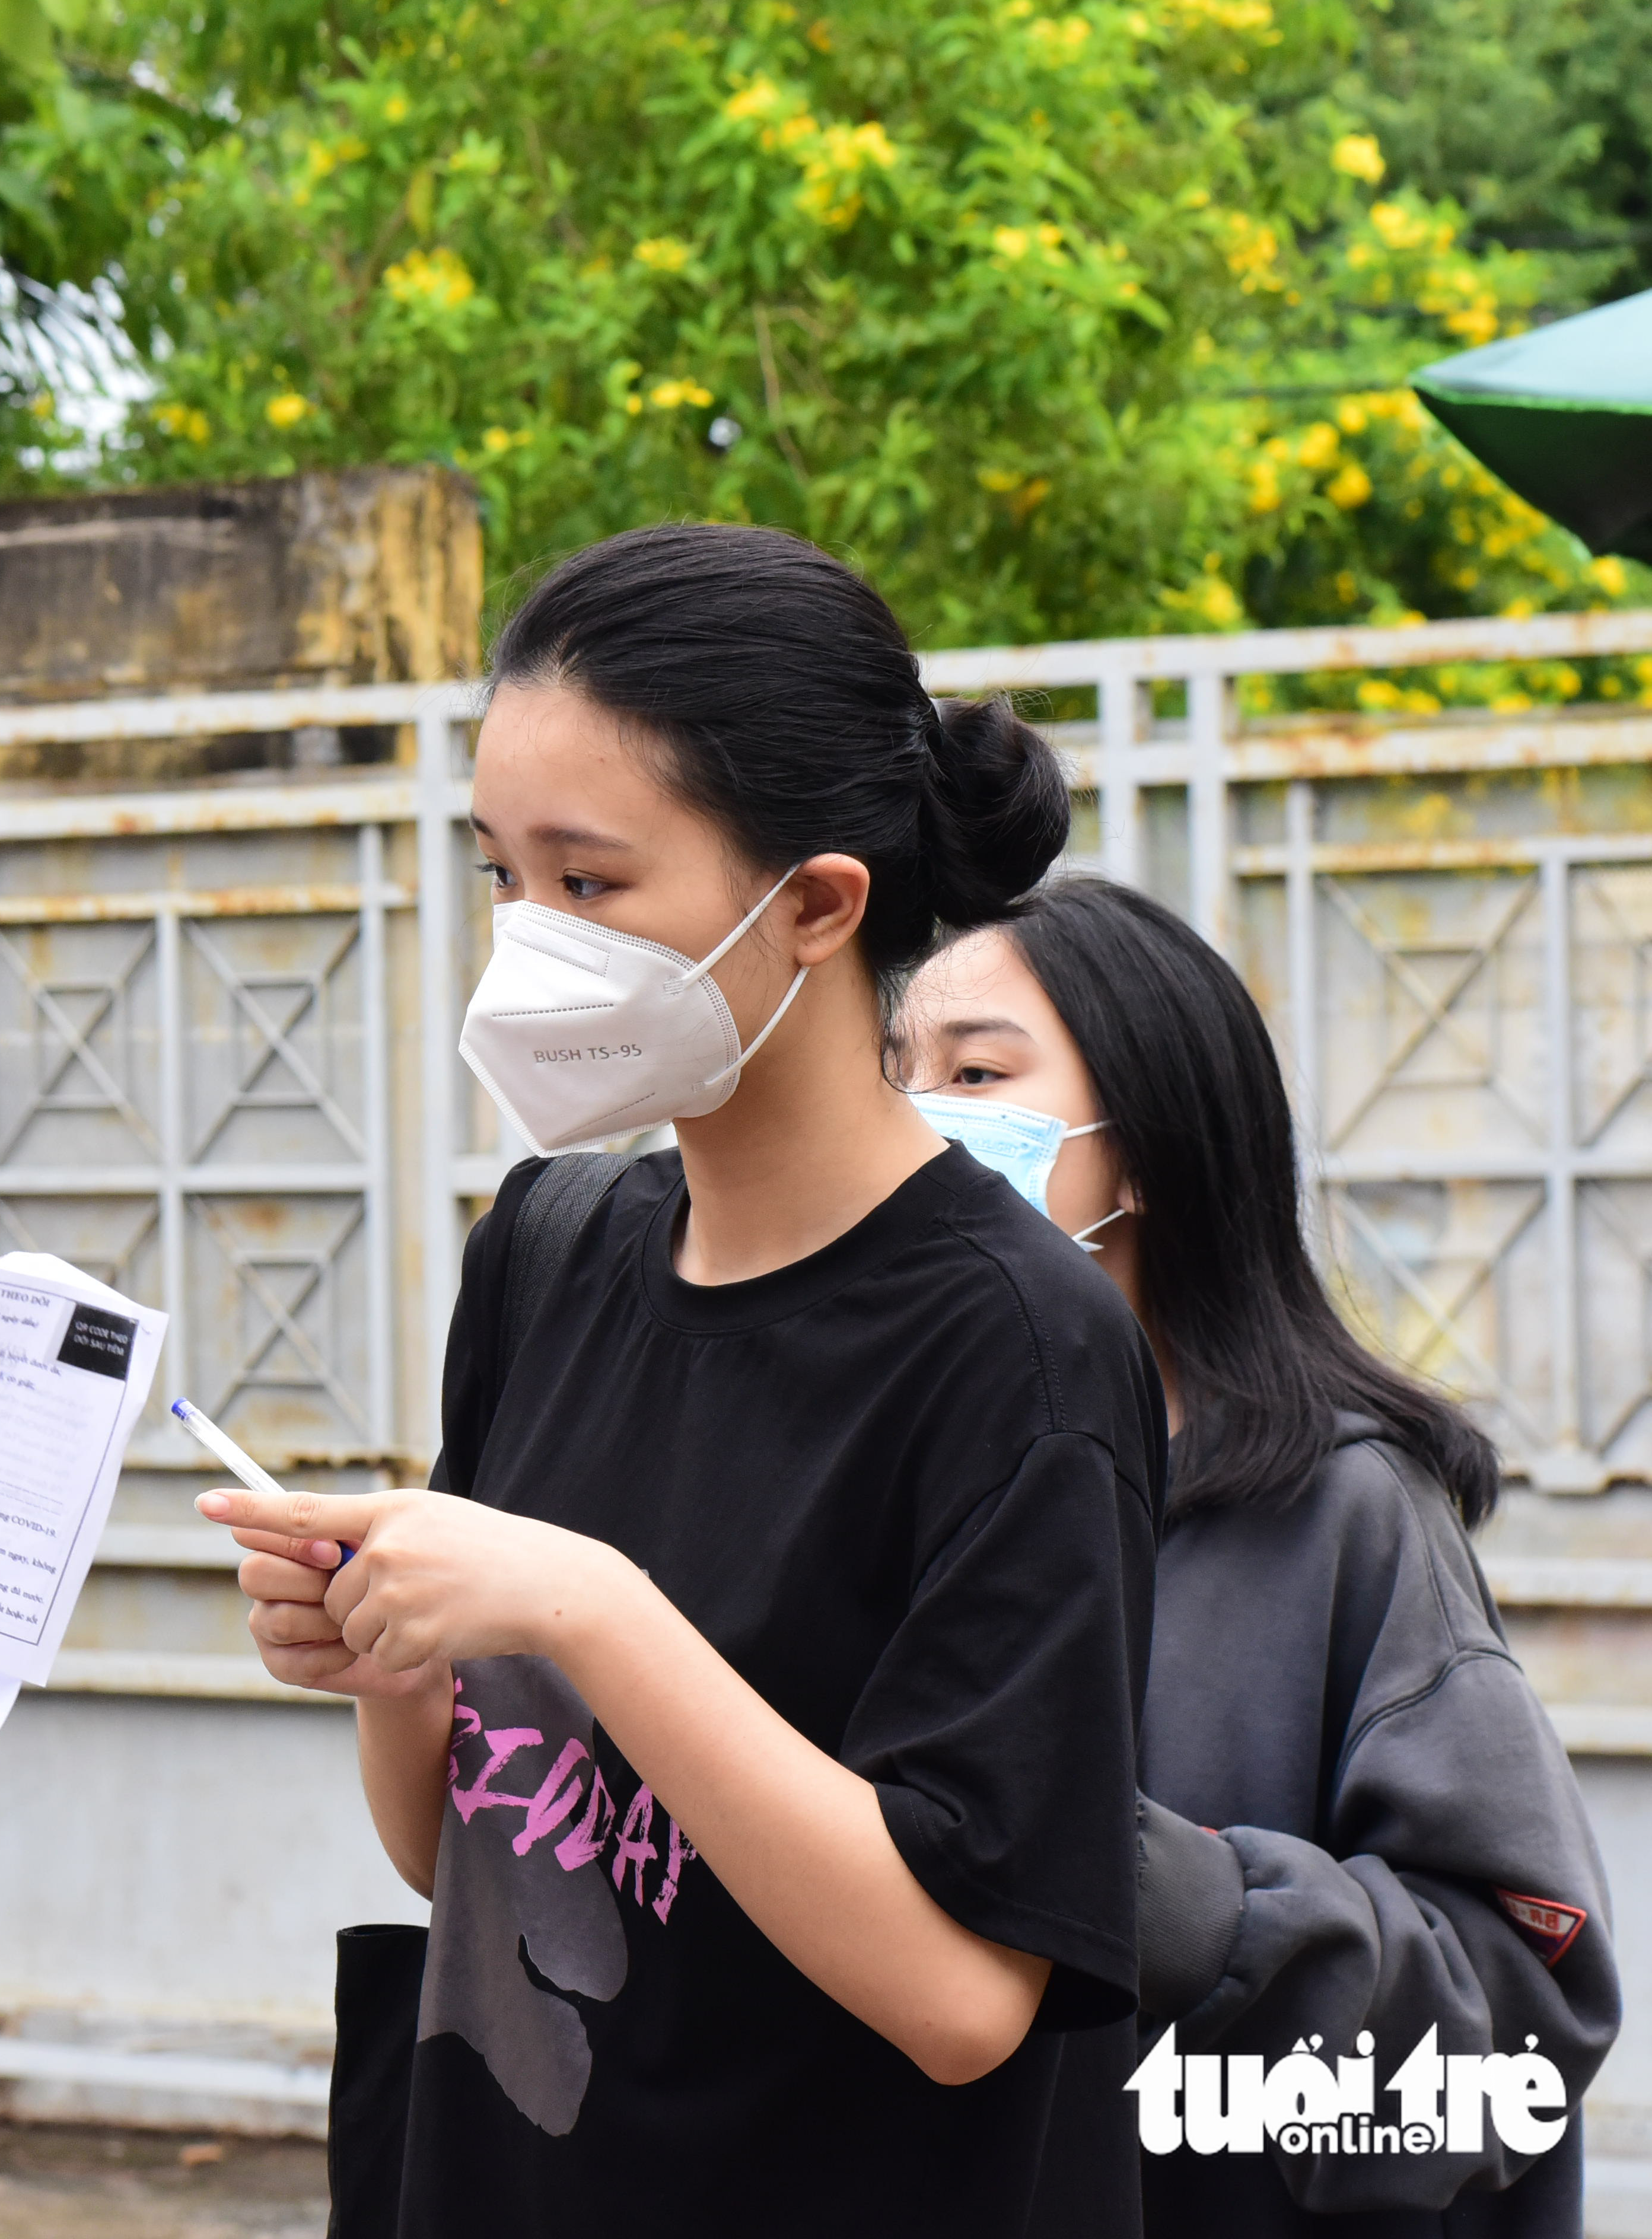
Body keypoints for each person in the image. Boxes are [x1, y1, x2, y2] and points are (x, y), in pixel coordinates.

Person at [208, 524, 1166, 2235]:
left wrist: (592, 1609)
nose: (528, 943)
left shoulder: (1020, 1350)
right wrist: (384, 1655)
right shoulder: (551, 1249)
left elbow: (966, 2004)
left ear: (815, 906)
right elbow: (465, 1857)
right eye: (501, 873)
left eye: (593, 883)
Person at [898, 875, 1619, 2237]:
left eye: (974, 1072)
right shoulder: (885, 1486)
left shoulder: (1343, 1515)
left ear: (1147, 1148)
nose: (914, 1122)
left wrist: (1190, 1909)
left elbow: (1518, 2032)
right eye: (895, 1077)